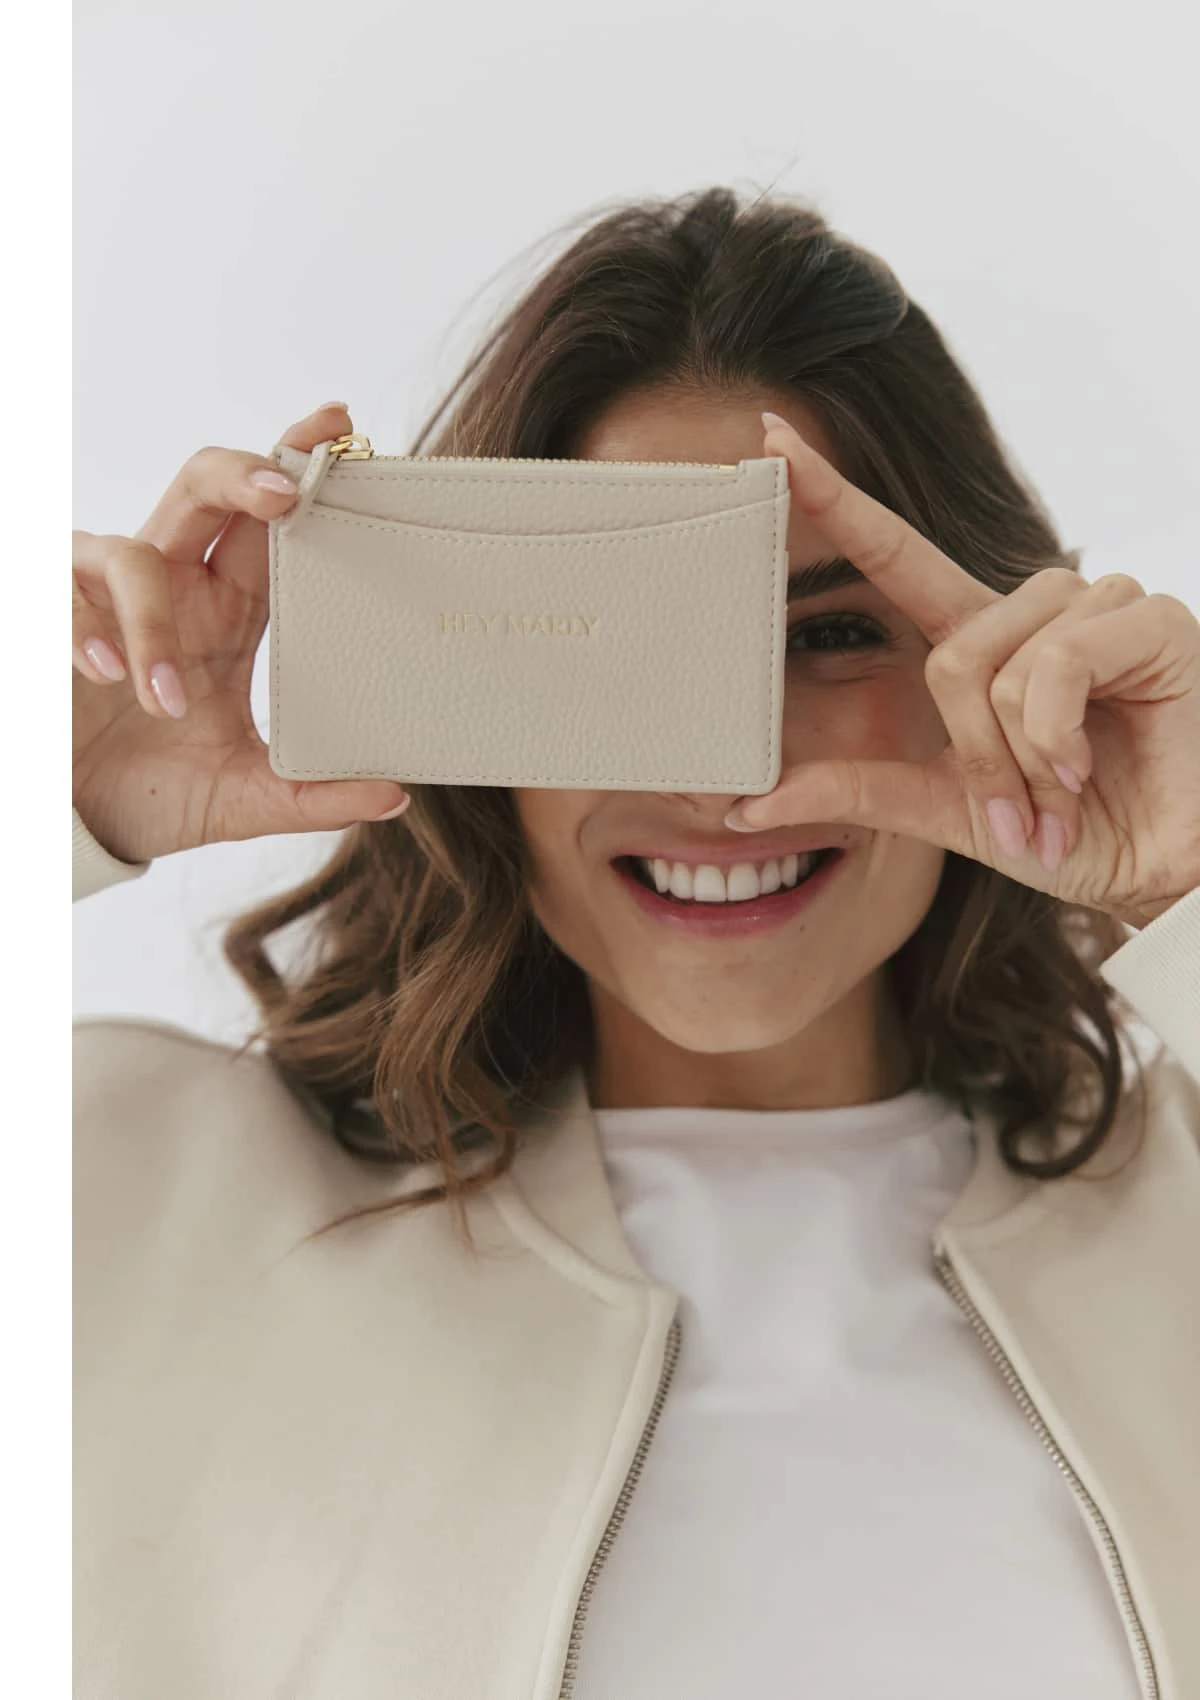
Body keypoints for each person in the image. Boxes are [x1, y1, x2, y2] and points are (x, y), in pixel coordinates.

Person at [72, 186, 1200, 1700]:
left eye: (829, 634)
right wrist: (51, 800)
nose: (721, 778)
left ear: (987, 659)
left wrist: (1190, 878)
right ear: (461, 684)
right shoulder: (124, 1186)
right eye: (622, 648)